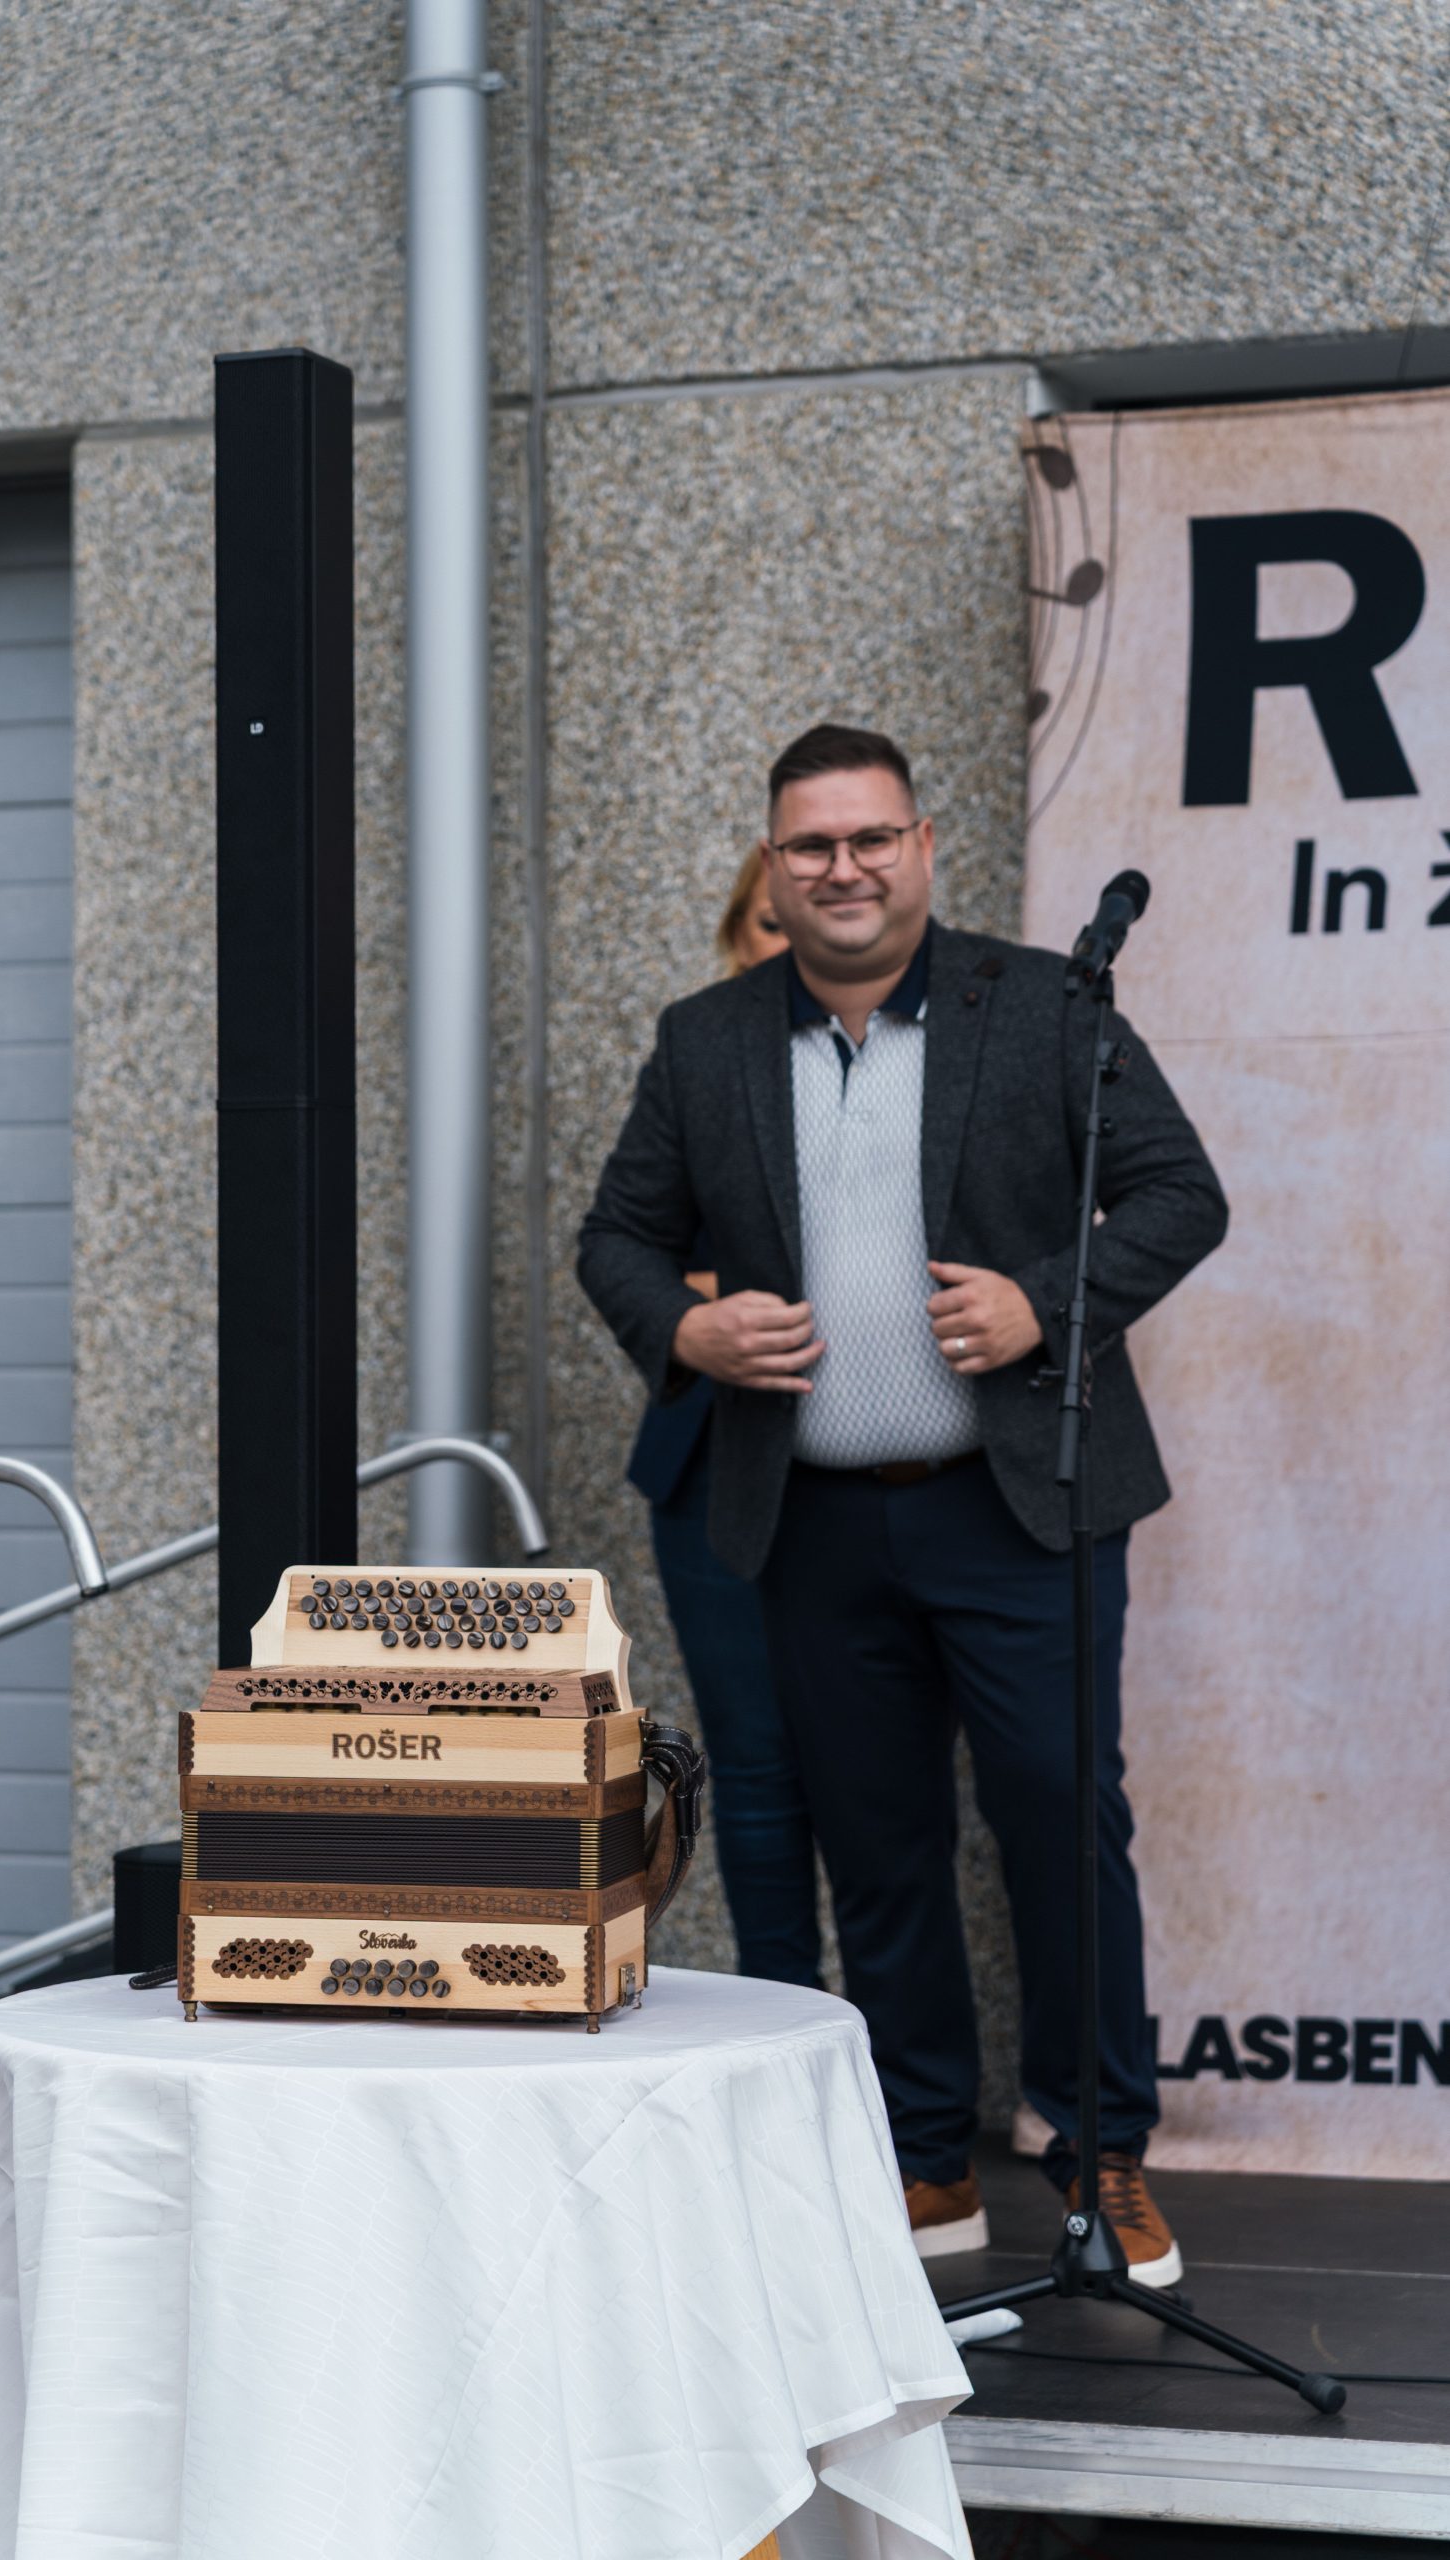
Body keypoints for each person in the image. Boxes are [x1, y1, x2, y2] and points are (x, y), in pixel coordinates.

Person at [579, 722, 1227, 2285]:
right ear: (773, 865)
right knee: (875, 1851)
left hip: (1017, 1511)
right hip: (813, 1525)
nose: (843, 868)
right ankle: (922, 2159)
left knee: (1061, 1823)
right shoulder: (705, 1040)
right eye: (811, 845)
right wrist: (685, 1332)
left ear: (922, 846)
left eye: (870, 838)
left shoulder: (1045, 1007)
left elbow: (1178, 1195)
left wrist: (1042, 1305)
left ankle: (1097, 2155)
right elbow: (614, 1239)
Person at [626, 851, 823, 1988]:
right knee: (752, 1766)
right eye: (766, 924)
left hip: (882, 1459)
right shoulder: (696, 1061)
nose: (790, 942)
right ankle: (783, 2009)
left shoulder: (915, 1067)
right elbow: (629, 1252)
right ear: (736, 939)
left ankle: (890, 2056)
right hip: (713, 1452)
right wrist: (718, 1307)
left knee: (879, 1774)